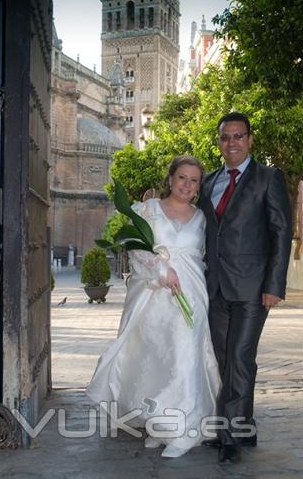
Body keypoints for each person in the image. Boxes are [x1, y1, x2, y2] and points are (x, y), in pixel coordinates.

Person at [86, 155, 221, 458]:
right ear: (170, 179)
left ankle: (187, 429)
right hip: (153, 295)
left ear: (199, 186)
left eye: (194, 180)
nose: (187, 184)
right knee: (156, 357)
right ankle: (160, 426)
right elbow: (136, 249)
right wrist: (161, 271)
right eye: (182, 177)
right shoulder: (147, 210)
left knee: (186, 354)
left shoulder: (202, 217)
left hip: (191, 294)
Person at [198, 112, 292, 464]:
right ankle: (245, 426)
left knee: (239, 357)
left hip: (254, 288)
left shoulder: (269, 178)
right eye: (225, 137)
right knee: (225, 360)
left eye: (238, 136)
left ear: (250, 140)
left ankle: (230, 435)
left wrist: (274, 285)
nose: (232, 143)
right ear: (219, 142)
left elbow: (282, 232)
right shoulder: (208, 183)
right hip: (216, 287)